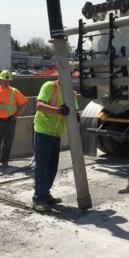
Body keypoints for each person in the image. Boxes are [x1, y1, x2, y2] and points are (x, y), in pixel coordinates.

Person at [32, 79, 73, 213]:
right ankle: (38, 199)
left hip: (56, 132)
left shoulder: (70, 92)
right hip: (43, 130)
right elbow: (39, 105)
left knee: (51, 167)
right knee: (42, 166)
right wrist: (58, 110)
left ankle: (45, 193)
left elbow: (72, 111)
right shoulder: (49, 86)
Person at [0, 70, 28, 168]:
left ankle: (4, 161)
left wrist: (17, 115)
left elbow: (25, 102)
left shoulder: (14, 91)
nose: (6, 82)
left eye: (7, 81)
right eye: (4, 80)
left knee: (7, 142)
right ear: (0, 80)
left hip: (10, 120)